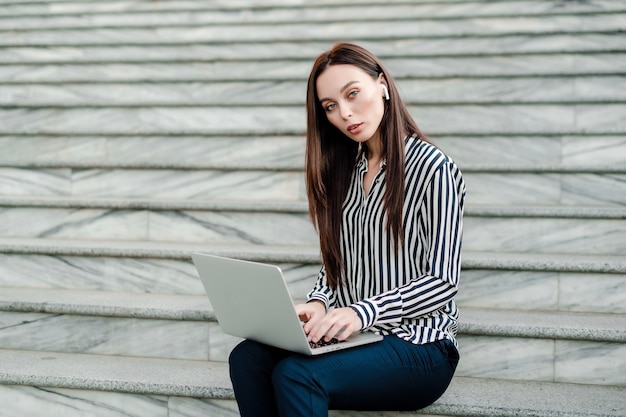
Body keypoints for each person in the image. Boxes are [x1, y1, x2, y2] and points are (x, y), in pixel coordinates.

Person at [229, 42, 466, 417]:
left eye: (352, 94)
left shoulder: (433, 168)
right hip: (360, 338)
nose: (346, 113)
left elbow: (442, 282)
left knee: (296, 375)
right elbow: (338, 263)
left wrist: (361, 312)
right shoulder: (348, 173)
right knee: (247, 358)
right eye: (330, 107)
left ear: (383, 84)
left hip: (421, 347)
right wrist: (319, 302)